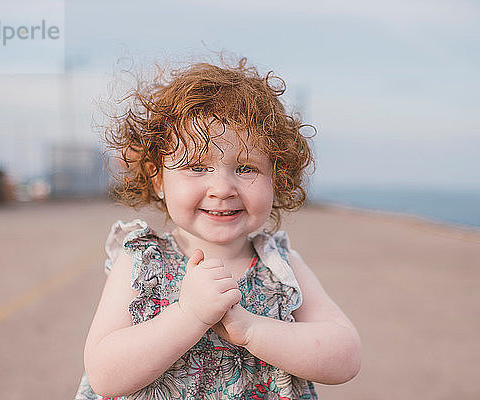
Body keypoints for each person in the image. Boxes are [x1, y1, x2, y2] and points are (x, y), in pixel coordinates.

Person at [76, 58, 361, 400]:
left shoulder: (281, 265)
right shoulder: (141, 260)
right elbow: (104, 375)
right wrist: (189, 315)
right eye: (197, 166)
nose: (222, 188)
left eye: (245, 167)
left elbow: (345, 356)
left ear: (277, 176)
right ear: (157, 177)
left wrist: (253, 329)